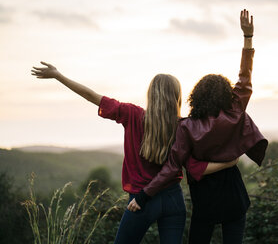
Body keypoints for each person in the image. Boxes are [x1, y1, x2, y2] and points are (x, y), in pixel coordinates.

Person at [30, 66, 238, 242]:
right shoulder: (183, 127)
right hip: (174, 200)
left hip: (141, 200)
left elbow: (91, 96)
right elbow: (195, 167)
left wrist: (59, 76)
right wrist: (228, 162)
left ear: (151, 94)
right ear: (177, 97)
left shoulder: (131, 114)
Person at [128, 9, 268, 244]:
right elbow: (245, 77)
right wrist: (248, 38)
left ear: (196, 97)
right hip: (234, 191)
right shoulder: (235, 109)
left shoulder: (186, 128)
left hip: (205, 197)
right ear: (226, 94)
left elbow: (171, 167)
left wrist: (143, 195)